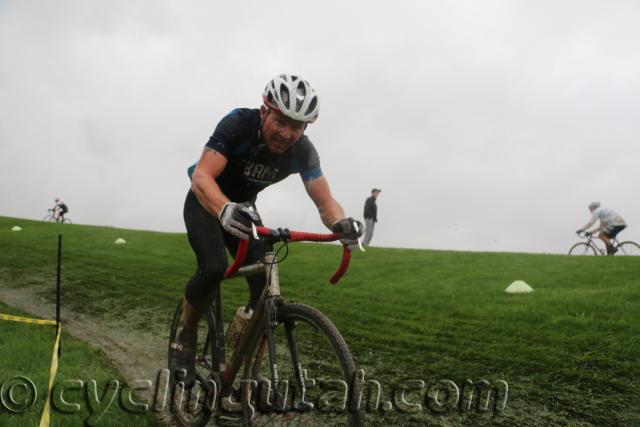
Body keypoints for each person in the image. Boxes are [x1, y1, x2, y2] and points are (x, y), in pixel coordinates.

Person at [171, 74, 363, 385]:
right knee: (214, 267)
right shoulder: (238, 124)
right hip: (207, 202)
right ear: (265, 112)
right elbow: (202, 176)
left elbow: (325, 201)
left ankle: (245, 346)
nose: (287, 133)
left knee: (265, 281)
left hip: (244, 208)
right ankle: (187, 334)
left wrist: (341, 223)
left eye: (297, 127)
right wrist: (222, 207)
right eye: (281, 121)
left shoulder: (303, 151)